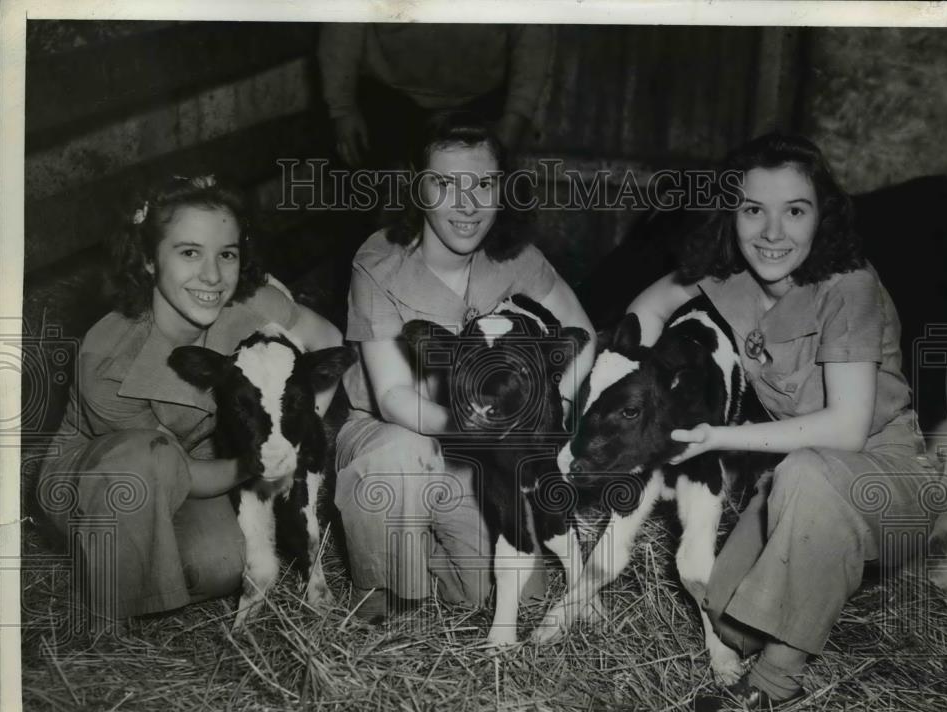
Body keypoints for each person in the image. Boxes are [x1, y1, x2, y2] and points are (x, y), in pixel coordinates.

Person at [627, 133, 938, 712]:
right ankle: (793, 602)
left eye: (795, 210)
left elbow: (847, 430)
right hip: (799, 481)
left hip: (889, 478)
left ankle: (773, 687)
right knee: (726, 614)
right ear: (731, 214)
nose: (773, 233)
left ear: (822, 215)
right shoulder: (730, 275)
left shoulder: (850, 285)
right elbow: (651, 306)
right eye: (753, 210)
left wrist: (716, 437)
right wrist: (639, 383)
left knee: (805, 475)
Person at [37, 174, 344, 636]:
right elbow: (174, 469)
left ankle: (146, 573)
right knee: (144, 462)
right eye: (188, 252)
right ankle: (101, 627)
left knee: (222, 564)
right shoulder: (108, 356)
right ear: (146, 260)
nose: (212, 276)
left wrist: (293, 433)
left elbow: (327, 340)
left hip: (203, 462)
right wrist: (261, 458)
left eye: (227, 254)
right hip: (104, 480)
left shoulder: (248, 302)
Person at [334, 111, 595, 622]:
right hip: (394, 436)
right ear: (416, 187)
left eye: (482, 184)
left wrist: (547, 409)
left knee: (515, 594)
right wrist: (485, 427)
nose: (467, 204)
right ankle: (380, 598)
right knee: (398, 453)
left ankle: (420, 549)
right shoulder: (380, 260)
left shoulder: (517, 257)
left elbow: (583, 335)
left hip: (479, 456)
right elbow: (391, 396)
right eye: (445, 184)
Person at [317, 23, 553, 169]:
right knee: (375, 212)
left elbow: (533, 36)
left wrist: (515, 116)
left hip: (479, 102)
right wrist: (342, 108)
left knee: (475, 210)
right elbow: (343, 23)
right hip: (389, 95)